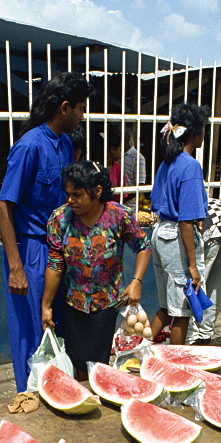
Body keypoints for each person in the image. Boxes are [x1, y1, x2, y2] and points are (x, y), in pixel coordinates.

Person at [0, 72, 92, 391]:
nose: (82, 116)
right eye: (80, 108)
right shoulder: (29, 146)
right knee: (32, 332)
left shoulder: (65, 145)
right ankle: (29, 396)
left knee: (57, 327)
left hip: (58, 249)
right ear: (65, 107)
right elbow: (4, 205)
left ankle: (56, 393)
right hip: (31, 251)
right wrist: (15, 267)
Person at [41, 161, 151, 379]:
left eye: (77, 194)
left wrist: (136, 281)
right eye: (68, 194)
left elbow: (143, 247)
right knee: (77, 362)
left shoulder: (120, 216)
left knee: (100, 364)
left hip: (108, 302)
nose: (70, 200)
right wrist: (46, 305)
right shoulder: (60, 219)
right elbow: (55, 263)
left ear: (97, 191)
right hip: (74, 303)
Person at [148, 104, 210, 347]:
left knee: (167, 306)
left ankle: (138, 349)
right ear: (195, 132)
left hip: (160, 233)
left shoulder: (166, 164)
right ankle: (174, 362)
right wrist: (193, 265)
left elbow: (157, 203)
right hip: (176, 238)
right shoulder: (190, 166)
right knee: (182, 311)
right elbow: (186, 220)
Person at [186, 198, 221, 345]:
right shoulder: (213, 202)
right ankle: (205, 334)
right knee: (217, 283)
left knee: (197, 285)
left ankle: (192, 336)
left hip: (209, 228)